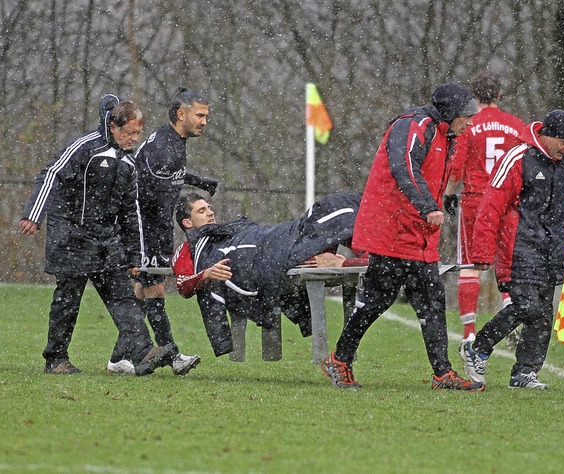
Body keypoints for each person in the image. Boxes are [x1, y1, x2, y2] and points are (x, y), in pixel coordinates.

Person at [322, 82, 484, 391]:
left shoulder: (446, 133)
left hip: (418, 235)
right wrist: (427, 206)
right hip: (391, 231)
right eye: (467, 116)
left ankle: (442, 374)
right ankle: (339, 360)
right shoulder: (413, 125)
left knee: (431, 301)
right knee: (377, 301)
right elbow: (404, 167)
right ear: (450, 113)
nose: (470, 122)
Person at [462, 110, 564, 390]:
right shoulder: (518, 158)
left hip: (551, 250)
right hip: (517, 248)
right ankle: (478, 348)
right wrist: (481, 253)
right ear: (546, 135)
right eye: (563, 141)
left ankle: (524, 373)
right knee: (527, 306)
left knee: (541, 314)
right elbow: (491, 206)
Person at [19, 95, 173, 376]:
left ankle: (142, 351)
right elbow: (51, 174)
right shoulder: (85, 147)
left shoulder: (128, 163)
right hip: (71, 236)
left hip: (106, 241)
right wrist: (34, 215)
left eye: (138, 133)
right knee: (68, 300)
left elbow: (131, 211)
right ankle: (56, 359)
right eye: (130, 133)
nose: (134, 139)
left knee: (123, 298)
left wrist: (134, 255)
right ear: (113, 126)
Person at [174, 191, 363, 357]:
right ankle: (372, 260)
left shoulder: (225, 232)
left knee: (333, 208)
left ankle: (369, 254)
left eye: (209, 207)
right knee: (327, 255)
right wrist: (206, 274)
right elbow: (183, 286)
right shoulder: (186, 250)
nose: (210, 212)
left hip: (276, 241)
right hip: (270, 261)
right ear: (187, 222)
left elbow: (255, 236)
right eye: (201, 211)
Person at [133, 87, 219, 376]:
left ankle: (124, 354)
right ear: (181, 115)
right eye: (200, 115)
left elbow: (169, 179)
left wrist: (198, 181)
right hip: (145, 228)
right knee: (153, 286)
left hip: (152, 227)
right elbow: (153, 195)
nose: (205, 121)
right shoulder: (164, 148)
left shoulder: (172, 140)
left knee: (143, 290)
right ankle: (171, 355)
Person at [443, 73, 526, 348]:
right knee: (507, 264)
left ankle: (468, 332)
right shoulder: (516, 126)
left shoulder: (469, 124)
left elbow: (456, 167)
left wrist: (448, 194)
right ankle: (513, 315)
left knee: (470, 265)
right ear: (500, 95)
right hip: (507, 203)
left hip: (476, 201)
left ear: (474, 97)